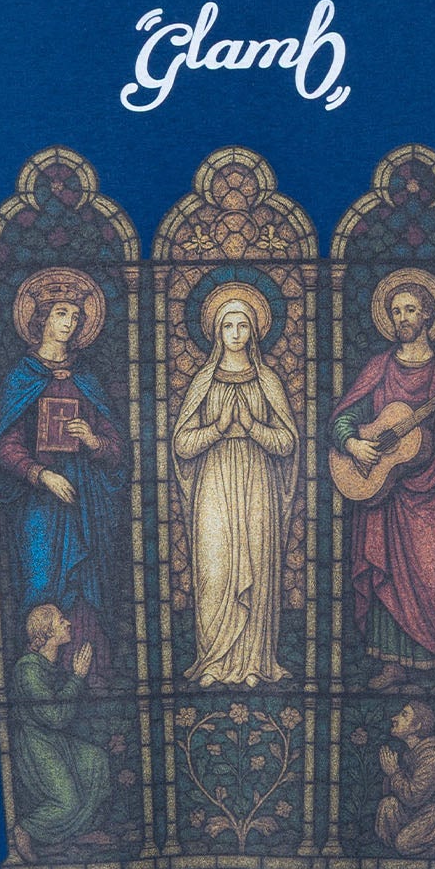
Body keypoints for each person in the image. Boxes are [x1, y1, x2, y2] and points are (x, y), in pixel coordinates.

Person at [331, 269, 435, 697]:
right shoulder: (380, 367)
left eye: (410, 310)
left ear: (428, 315)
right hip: (386, 493)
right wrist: (354, 444)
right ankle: (392, 664)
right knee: (385, 572)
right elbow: (344, 418)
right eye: (396, 311)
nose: (403, 317)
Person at [0, 268, 127, 685]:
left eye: (76, 317)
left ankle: (89, 680)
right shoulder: (22, 378)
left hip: (85, 501)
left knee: (86, 587)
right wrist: (42, 474)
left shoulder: (86, 379)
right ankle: (40, 686)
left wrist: (93, 441)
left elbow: (117, 449)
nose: (70, 323)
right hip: (40, 502)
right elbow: (4, 446)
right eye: (62, 314)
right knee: (43, 582)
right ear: (42, 319)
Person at [171, 286, 299, 687]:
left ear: (255, 331)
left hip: (257, 482)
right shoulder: (204, 382)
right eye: (228, 325)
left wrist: (254, 428)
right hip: (213, 482)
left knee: (258, 568)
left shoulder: (268, 381)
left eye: (243, 325)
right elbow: (181, 444)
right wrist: (217, 429)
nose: (236, 332)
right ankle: (212, 661)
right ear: (216, 332)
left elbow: (288, 443)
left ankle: (255, 662)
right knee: (215, 569)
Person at [8, 603, 112, 861]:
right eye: (61, 620)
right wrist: (77, 677)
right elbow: (55, 717)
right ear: (46, 632)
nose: (68, 623)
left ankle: (76, 833)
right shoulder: (28, 669)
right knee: (67, 802)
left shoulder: (48, 664)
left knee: (96, 761)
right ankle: (25, 829)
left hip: (54, 739)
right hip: (36, 744)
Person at [375, 701, 435, 856]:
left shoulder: (433, 757)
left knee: (404, 844)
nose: (394, 718)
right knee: (387, 805)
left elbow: (414, 796)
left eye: (404, 715)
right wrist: (392, 774)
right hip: (417, 810)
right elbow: (398, 793)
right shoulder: (411, 753)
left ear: (417, 726)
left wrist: (394, 773)